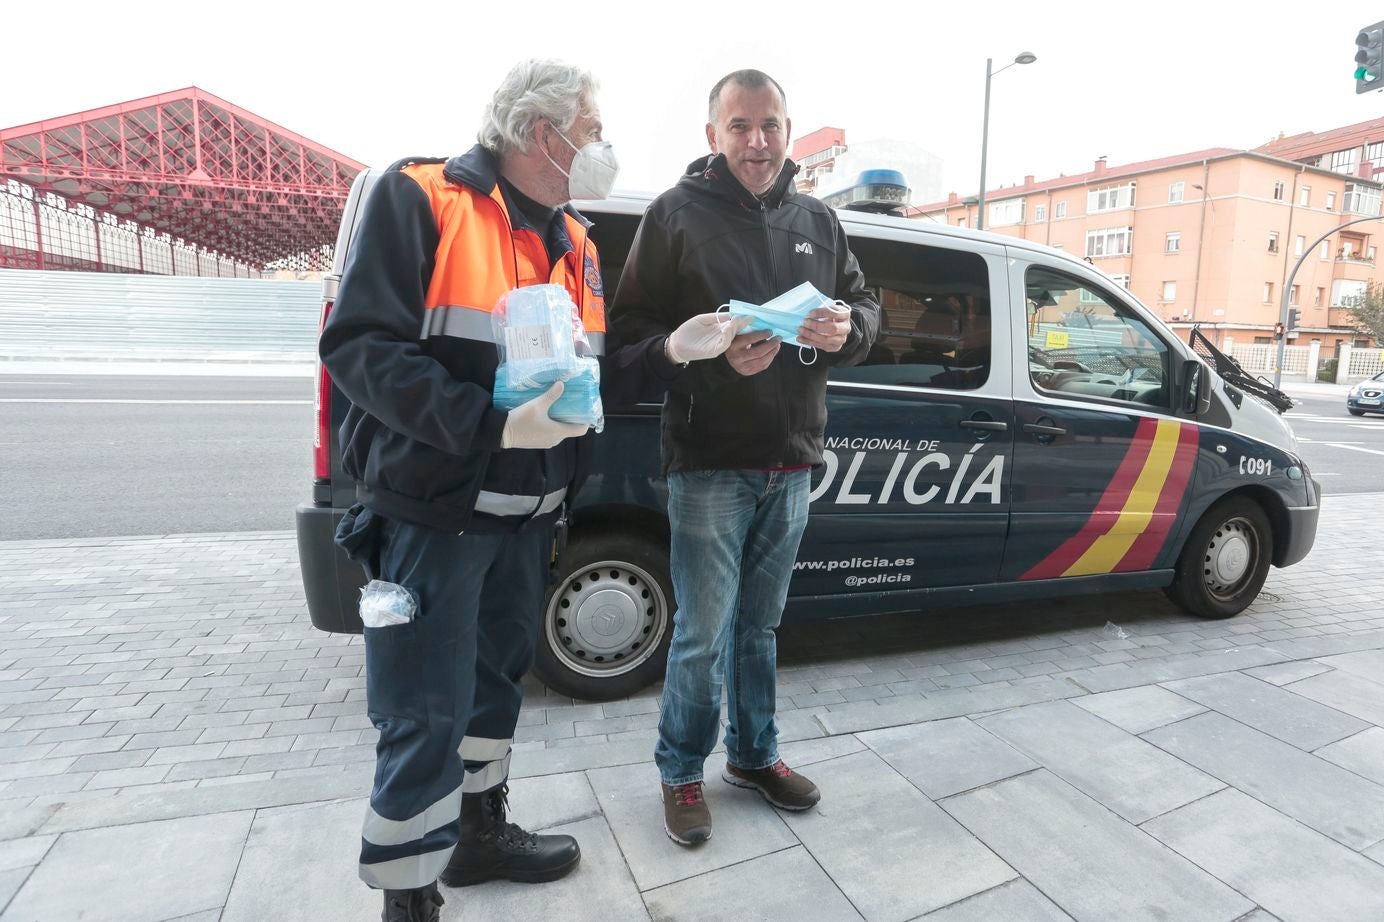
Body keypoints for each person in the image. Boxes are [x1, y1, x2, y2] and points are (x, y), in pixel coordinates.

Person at [320, 60, 744, 922]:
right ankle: (409, 896)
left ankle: (478, 834)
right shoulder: (424, 197)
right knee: (421, 711)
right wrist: (488, 423)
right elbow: (360, 348)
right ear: (541, 134)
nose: (601, 143)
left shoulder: (576, 240)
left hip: (528, 519)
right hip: (434, 519)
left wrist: (674, 350)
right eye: (592, 126)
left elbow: (589, 378)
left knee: (490, 695)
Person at [608, 69, 880, 846]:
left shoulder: (820, 220)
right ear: (712, 135)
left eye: (770, 126)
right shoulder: (674, 217)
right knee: (701, 632)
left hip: (791, 458)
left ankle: (755, 757)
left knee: (760, 628)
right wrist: (700, 352)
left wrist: (844, 331)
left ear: (789, 131)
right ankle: (681, 771)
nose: (756, 142)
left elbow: (864, 307)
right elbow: (628, 339)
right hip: (710, 460)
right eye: (740, 126)